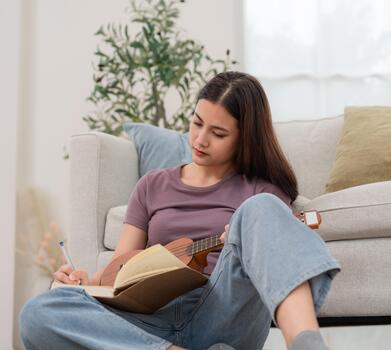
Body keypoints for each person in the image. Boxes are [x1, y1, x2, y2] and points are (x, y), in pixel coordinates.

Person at [19, 71, 341, 350]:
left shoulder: (261, 190)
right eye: (197, 123)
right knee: (37, 313)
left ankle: (306, 342)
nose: (200, 139)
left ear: (243, 139)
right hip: (148, 322)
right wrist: (84, 282)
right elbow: (118, 273)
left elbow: (277, 255)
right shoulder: (152, 186)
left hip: (220, 313)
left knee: (261, 208)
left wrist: (240, 241)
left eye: (218, 133)